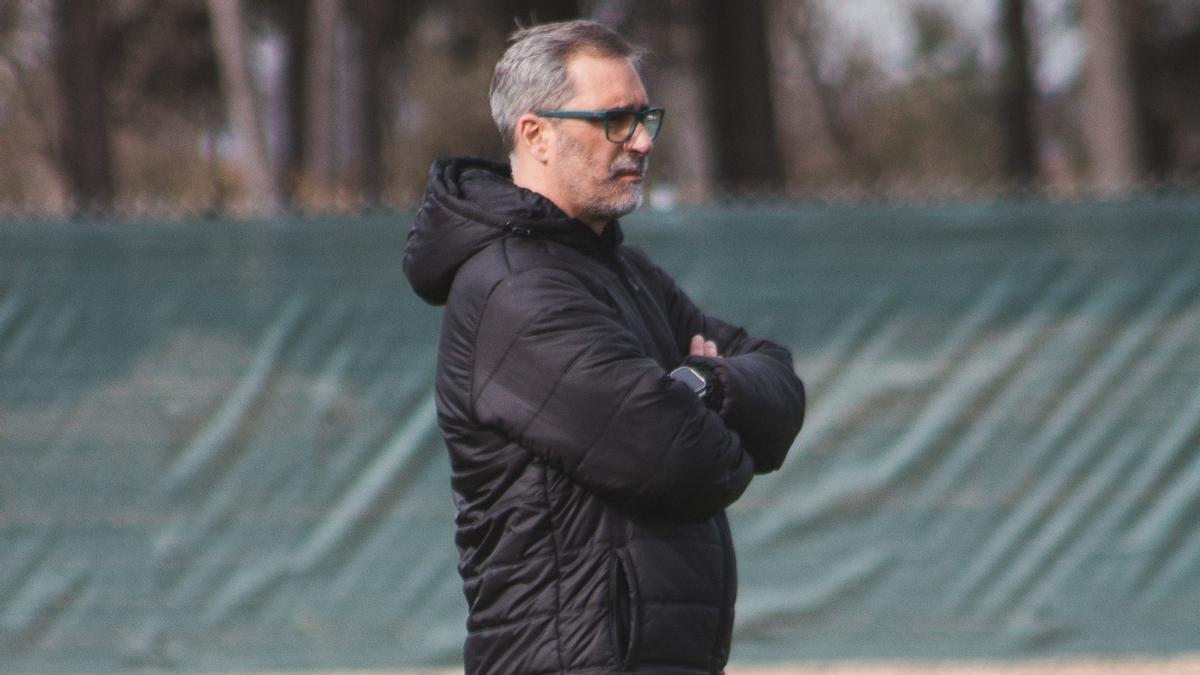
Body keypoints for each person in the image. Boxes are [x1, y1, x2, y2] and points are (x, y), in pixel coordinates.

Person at [403, 19, 805, 675]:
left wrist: (705, 383)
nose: (642, 140)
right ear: (535, 133)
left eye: (646, 116)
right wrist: (713, 403)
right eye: (616, 120)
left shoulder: (627, 272)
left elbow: (780, 387)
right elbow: (681, 459)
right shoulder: (512, 290)